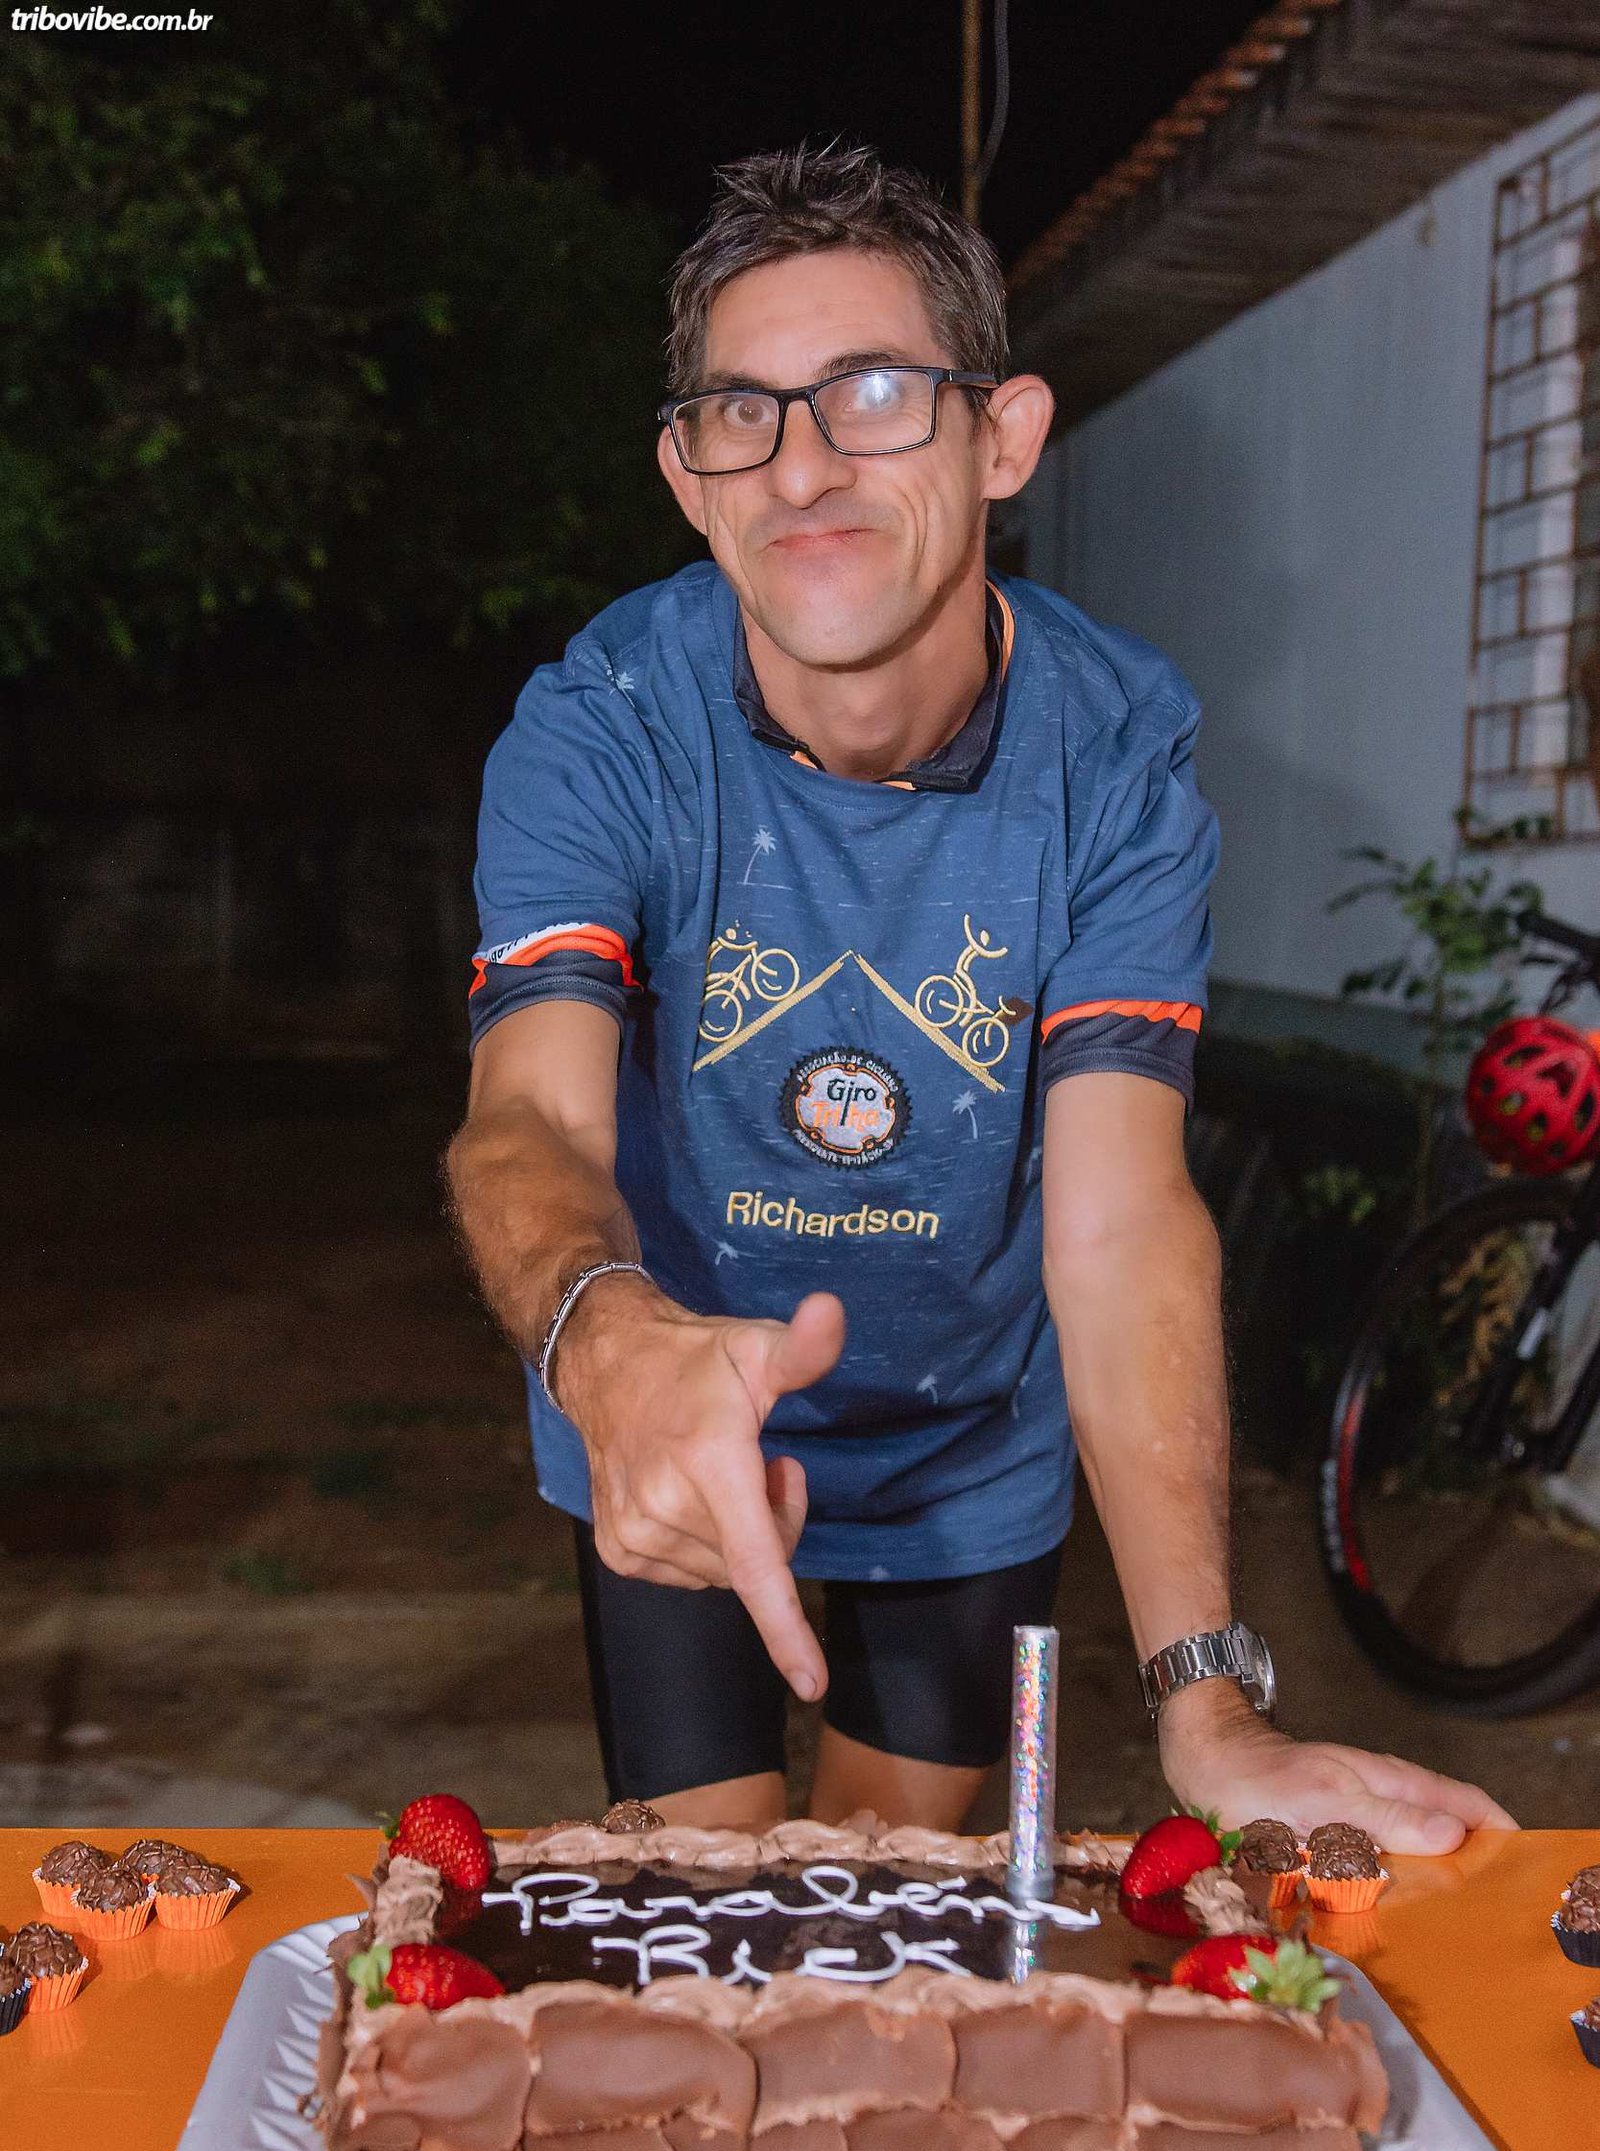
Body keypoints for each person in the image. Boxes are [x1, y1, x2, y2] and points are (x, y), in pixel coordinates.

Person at [448, 141, 1513, 1851]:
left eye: (874, 393)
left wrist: (1208, 1701)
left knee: (901, 1923)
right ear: (688, 478)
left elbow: (1121, 1222)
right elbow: (530, 1121)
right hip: (670, 1407)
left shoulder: (1118, 757)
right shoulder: (601, 729)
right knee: (702, 1907)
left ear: (1002, 438)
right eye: (741, 413)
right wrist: (607, 1342)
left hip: (966, 1454)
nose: (803, 466)